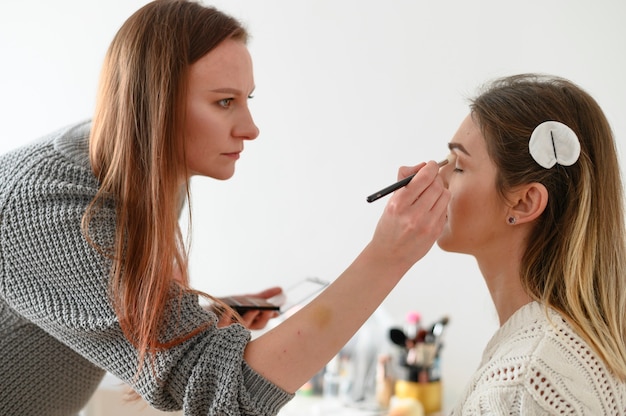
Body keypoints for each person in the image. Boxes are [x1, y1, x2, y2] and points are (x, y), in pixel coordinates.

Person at [0, 1, 450, 415]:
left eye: (246, 99)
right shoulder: (46, 204)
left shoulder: (148, 173)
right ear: (153, 107)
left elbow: (102, 320)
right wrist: (388, 257)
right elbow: (219, 391)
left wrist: (201, 319)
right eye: (224, 102)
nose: (251, 129)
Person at [437, 73, 626, 414]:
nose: (437, 178)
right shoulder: (551, 352)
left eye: (459, 166)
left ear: (524, 203)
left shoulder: (525, 383)